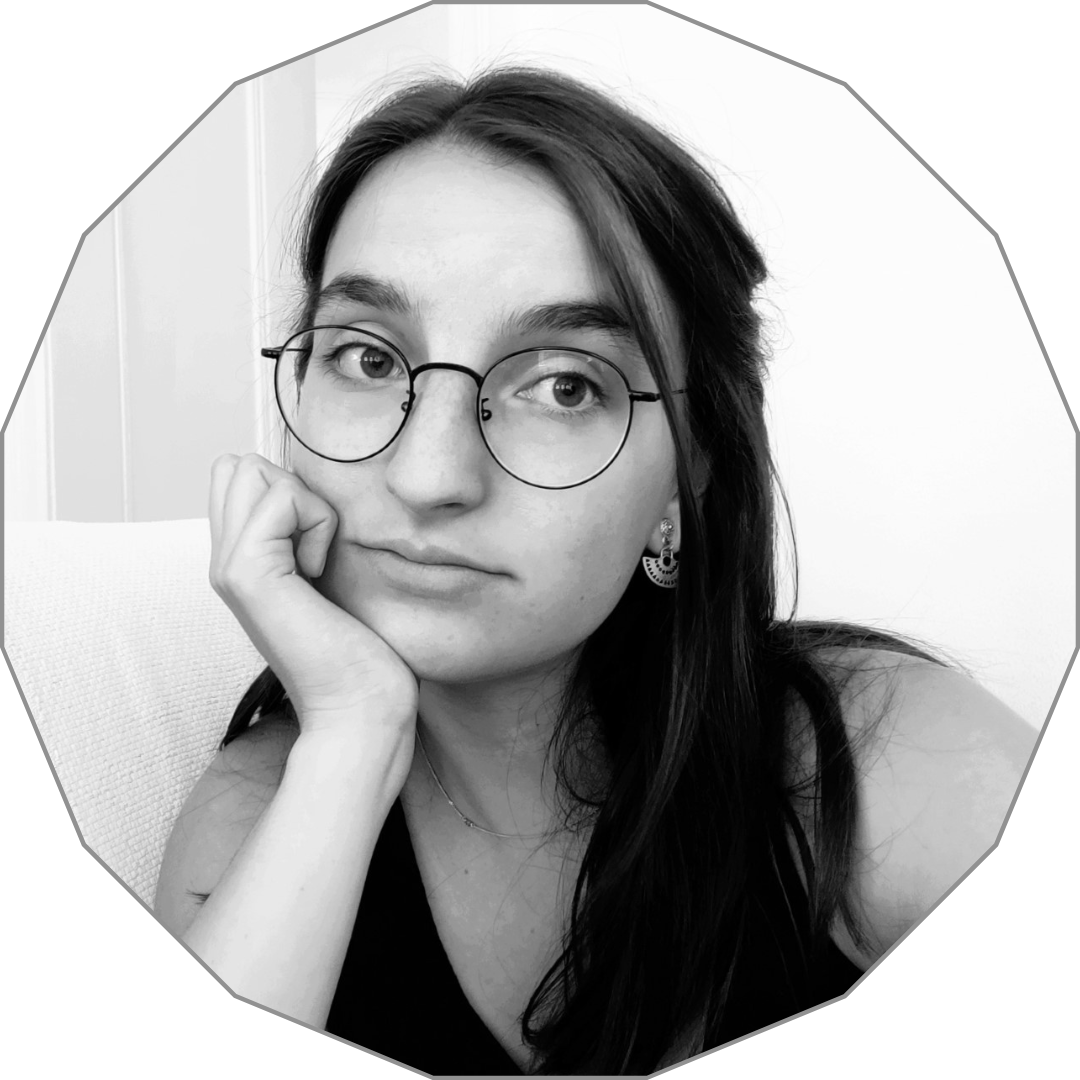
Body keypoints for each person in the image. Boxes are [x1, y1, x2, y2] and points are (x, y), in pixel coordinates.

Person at [154, 67, 1035, 1075]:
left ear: (687, 472)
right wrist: (354, 735)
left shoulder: (881, 759)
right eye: (369, 359)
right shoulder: (262, 816)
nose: (429, 475)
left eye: (565, 386)